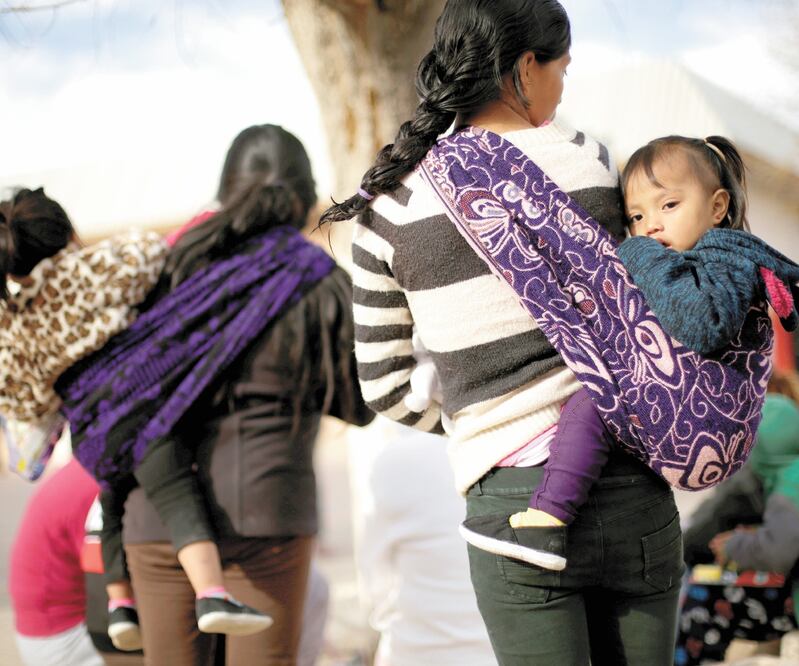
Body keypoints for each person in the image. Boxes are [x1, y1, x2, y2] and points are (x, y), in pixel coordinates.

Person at [322, 1, 696, 662]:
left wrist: (486, 421)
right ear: (526, 67)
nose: (562, 86)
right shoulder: (592, 162)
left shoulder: (389, 206)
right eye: (560, 69)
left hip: (508, 507)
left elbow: (383, 388)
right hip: (630, 488)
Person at [96, 123, 373, 665]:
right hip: (269, 515)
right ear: (302, 197)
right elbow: (361, 405)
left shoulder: (170, 267)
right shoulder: (320, 282)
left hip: (158, 521)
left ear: (226, 189)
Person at [459, 134, 798, 570]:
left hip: (707, 414)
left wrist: (640, 255)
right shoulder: (692, 257)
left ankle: (549, 513)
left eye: (668, 206)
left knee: (591, 404)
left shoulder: (725, 256)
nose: (651, 225)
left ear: (717, 207)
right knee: (589, 405)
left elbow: (703, 323)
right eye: (636, 216)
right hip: (685, 417)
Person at [0, 187, 174, 649]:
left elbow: (27, 460)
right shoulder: (111, 270)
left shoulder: (11, 334)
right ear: (71, 233)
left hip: (96, 460)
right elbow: (154, 249)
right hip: (158, 441)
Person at [349, 419, 497, 666]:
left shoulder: (396, 459)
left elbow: (374, 577)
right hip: (504, 651)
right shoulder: (524, 449)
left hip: (416, 651)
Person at [677, 379, 799, 665]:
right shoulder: (788, 471)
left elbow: (780, 551)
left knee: (702, 598)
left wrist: (735, 546)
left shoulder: (790, 484)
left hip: (792, 602)